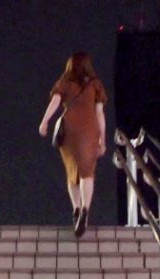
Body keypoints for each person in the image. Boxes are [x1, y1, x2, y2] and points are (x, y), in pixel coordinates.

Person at [39, 52, 108, 237]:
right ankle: (85, 210)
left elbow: (55, 101)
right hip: (89, 131)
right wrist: (102, 139)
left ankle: (76, 208)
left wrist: (44, 121)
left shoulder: (65, 82)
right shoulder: (95, 84)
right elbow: (99, 113)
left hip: (69, 130)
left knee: (72, 172)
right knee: (87, 172)